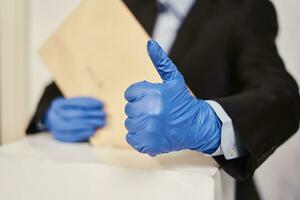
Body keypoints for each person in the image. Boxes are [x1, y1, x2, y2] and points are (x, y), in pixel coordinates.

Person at [27, 0, 300, 199]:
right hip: (112, 185)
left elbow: (282, 95)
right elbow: (64, 79)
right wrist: (49, 114)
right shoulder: (126, 6)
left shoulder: (244, 9)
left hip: (209, 191)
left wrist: (210, 124)